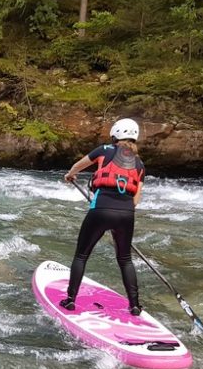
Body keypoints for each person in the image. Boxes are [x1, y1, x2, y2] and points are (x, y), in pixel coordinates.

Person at [59, 118, 146, 315]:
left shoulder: (104, 150)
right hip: (126, 214)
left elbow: (79, 165)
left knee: (81, 255)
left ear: (115, 134)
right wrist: (121, 212)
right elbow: (136, 199)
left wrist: (70, 175)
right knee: (125, 259)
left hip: (101, 209)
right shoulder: (140, 164)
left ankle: (70, 300)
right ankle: (134, 305)